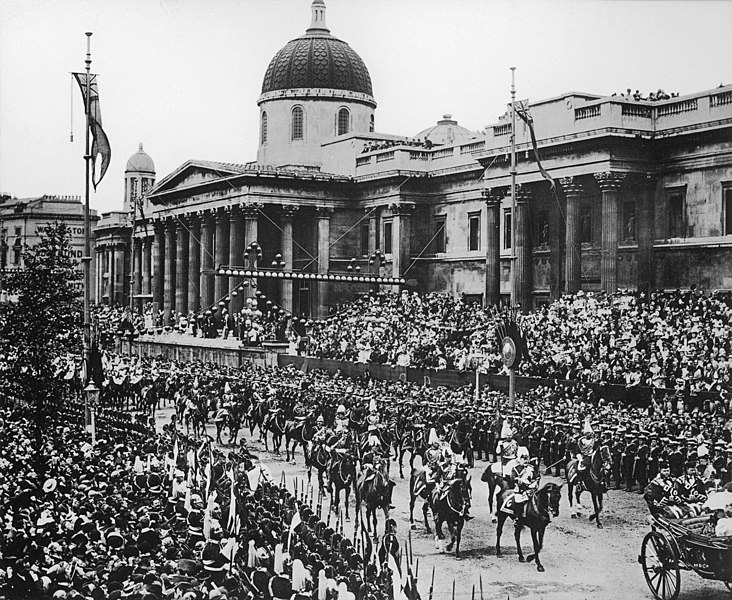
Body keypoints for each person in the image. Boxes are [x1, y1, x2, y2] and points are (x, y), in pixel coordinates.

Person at [501, 446, 538, 518]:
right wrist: (520, 481)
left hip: (531, 490)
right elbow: (512, 479)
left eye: (527, 458)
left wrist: (534, 483)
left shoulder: (531, 468)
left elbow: (535, 478)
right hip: (520, 490)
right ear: (519, 459)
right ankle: (517, 517)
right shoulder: (515, 469)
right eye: (524, 458)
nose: (526, 460)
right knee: (518, 500)